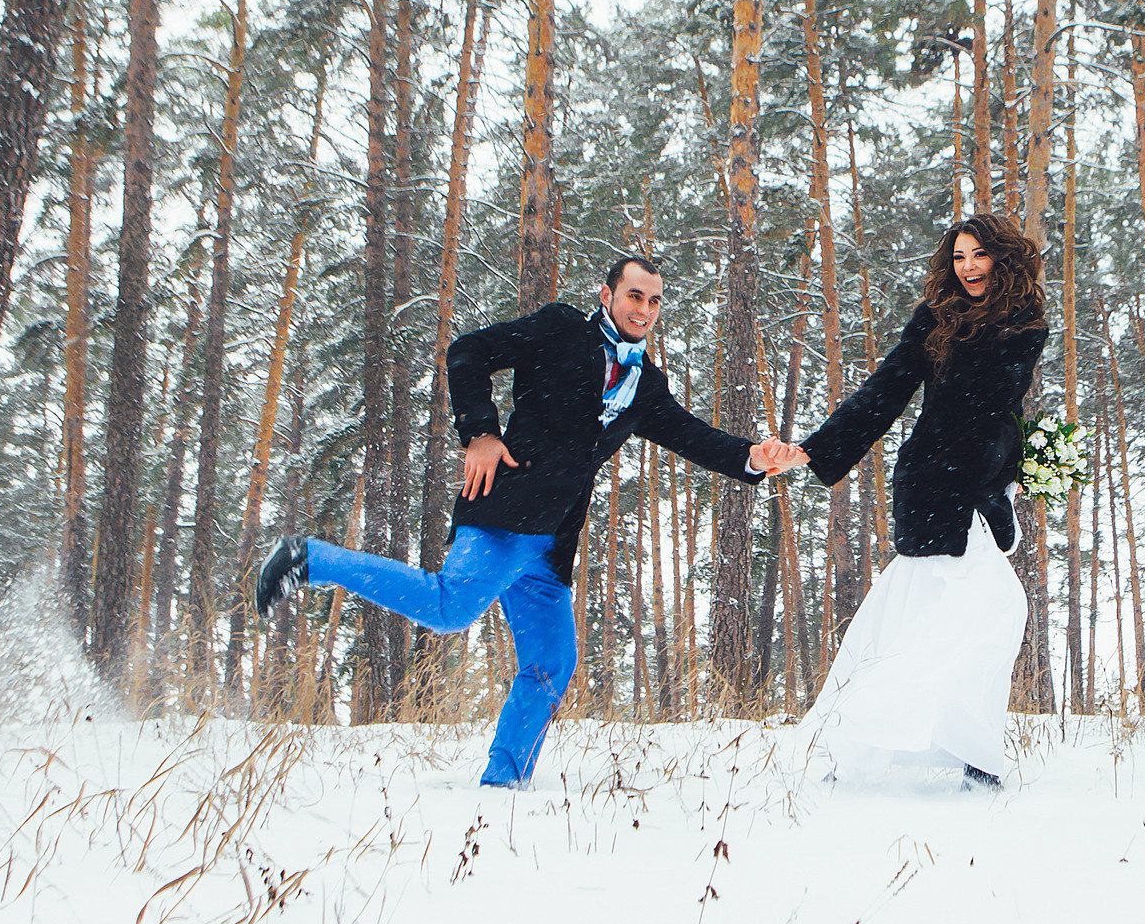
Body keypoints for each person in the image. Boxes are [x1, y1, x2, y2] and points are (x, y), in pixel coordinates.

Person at [254, 255, 797, 786]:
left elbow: (690, 434)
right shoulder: (560, 328)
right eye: (635, 296)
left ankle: (504, 783)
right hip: (505, 511)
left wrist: (753, 457)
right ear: (606, 296)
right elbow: (469, 351)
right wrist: (480, 433)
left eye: (654, 301)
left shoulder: (644, 382)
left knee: (551, 662)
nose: (644, 310)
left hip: (553, 540)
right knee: (450, 607)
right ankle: (309, 559)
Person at [794, 213, 1047, 788]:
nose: (968, 267)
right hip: (934, 480)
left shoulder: (1025, 325)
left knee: (962, 616)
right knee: (953, 617)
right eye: (958, 257)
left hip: (977, 483)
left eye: (979, 254)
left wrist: (1009, 475)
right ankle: (868, 743)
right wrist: (819, 449)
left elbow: (997, 407)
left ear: (1003, 258)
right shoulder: (936, 318)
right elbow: (886, 390)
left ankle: (961, 752)